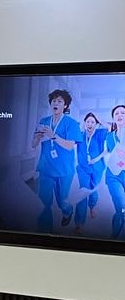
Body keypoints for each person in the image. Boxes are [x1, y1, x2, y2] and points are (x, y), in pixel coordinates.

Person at [32, 88, 80, 232]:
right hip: (46, 167)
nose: (56, 103)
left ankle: (68, 211)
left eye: (60, 101)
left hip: (64, 169)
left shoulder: (71, 123)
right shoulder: (44, 121)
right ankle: (44, 233)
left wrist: (54, 136)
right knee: (43, 202)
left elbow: (70, 146)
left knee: (62, 201)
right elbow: (33, 145)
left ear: (65, 105)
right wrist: (37, 137)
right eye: (54, 101)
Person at [73, 111, 108, 233]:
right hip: (83, 168)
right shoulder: (80, 135)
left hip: (97, 168)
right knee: (83, 191)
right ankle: (79, 223)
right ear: (85, 123)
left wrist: (99, 119)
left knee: (93, 190)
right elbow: (69, 142)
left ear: (96, 124)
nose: (90, 124)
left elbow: (110, 128)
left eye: (92, 122)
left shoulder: (100, 133)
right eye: (88, 121)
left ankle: (92, 206)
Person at [103, 103, 125, 238]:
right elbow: (111, 155)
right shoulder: (109, 137)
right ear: (113, 118)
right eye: (116, 113)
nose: (119, 115)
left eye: (123, 113)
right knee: (122, 207)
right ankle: (114, 239)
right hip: (113, 175)